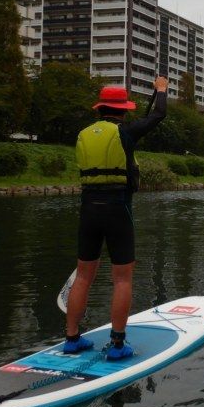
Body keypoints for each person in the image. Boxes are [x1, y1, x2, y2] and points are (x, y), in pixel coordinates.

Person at [64, 77, 168, 359]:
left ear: (100, 108)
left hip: (88, 208)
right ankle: (118, 345)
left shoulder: (84, 133)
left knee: (83, 275)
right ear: (123, 109)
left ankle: (72, 338)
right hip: (117, 208)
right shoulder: (127, 132)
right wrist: (161, 89)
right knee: (122, 279)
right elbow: (158, 114)